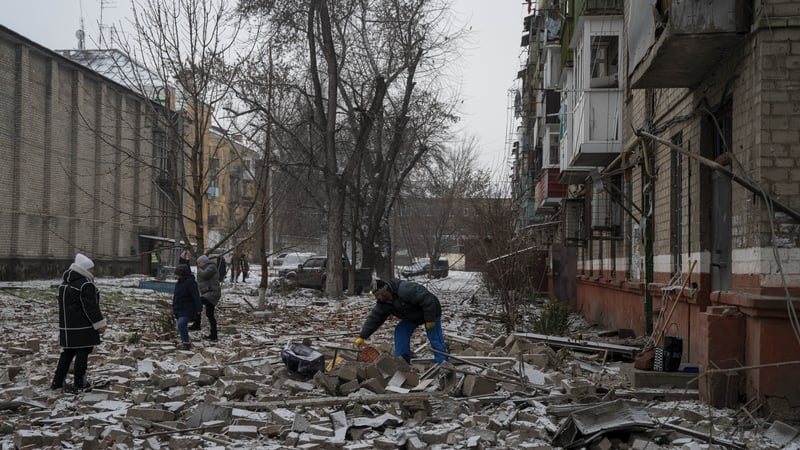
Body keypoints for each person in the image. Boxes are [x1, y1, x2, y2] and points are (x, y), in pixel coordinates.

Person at [354, 278, 448, 364]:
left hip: (431, 311)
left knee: (434, 337)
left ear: (384, 292)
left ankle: (443, 364)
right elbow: (374, 318)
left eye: (377, 295)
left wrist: (430, 319)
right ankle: (403, 362)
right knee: (400, 331)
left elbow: (427, 299)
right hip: (413, 316)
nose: (376, 298)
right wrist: (362, 336)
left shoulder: (405, 289)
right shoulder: (383, 303)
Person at [51, 253, 107, 392]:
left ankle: (57, 382)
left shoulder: (64, 285)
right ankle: (80, 382)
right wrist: (99, 324)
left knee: (67, 353)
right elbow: (91, 308)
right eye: (91, 269)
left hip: (67, 328)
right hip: (83, 327)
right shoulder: (85, 285)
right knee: (82, 353)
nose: (93, 271)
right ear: (85, 269)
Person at [190, 255, 221, 341]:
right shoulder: (206, 267)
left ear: (203, 262)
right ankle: (214, 335)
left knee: (197, 303)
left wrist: (198, 270)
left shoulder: (211, 267)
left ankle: (197, 324)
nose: (198, 265)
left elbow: (204, 275)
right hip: (209, 292)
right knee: (209, 314)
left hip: (212, 293)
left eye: (199, 263)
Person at [172, 264, 201, 351]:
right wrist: (174, 307)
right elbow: (176, 296)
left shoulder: (191, 283)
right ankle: (185, 341)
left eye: (177, 274)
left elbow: (196, 296)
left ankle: (186, 343)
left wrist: (199, 309)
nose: (175, 276)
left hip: (188, 309)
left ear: (182, 274)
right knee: (181, 325)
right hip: (179, 308)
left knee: (181, 323)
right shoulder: (178, 283)